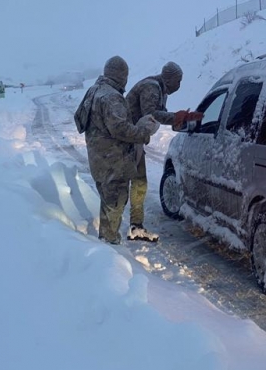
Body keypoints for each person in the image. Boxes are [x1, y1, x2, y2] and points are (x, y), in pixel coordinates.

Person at [74, 56, 159, 245]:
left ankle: (106, 240)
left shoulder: (93, 91)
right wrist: (144, 133)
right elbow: (120, 129)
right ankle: (108, 246)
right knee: (115, 204)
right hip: (114, 162)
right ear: (122, 76)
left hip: (97, 159)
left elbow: (79, 121)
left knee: (107, 202)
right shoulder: (112, 97)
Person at [125, 61, 203, 241]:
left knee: (139, 182)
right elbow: (150, 114)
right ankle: (111, 231)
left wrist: (178, 119)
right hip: (125, 141)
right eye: (178, 81)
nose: (180, 85)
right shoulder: (152, 88)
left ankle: (135, 226)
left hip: (134, 140)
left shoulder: (161, 90)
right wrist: (176, 117)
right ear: (170, 79)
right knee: (128, 184)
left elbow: (160, 113)